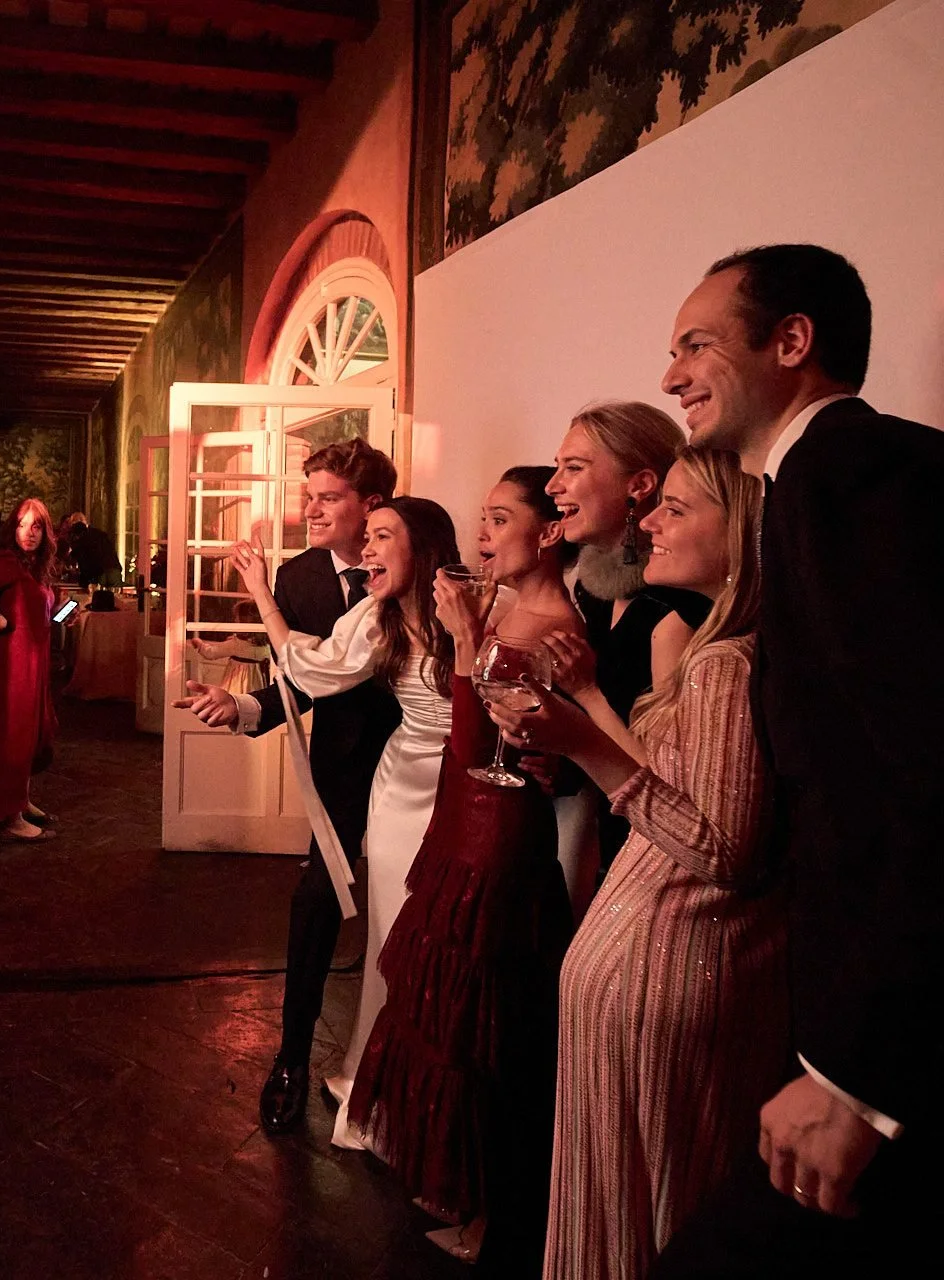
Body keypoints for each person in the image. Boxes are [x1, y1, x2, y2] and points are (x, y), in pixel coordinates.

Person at [649, 247, 942, 1277]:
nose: (673, 372)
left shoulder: (850, 473)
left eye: (695, 342)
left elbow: (924, 780)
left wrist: (857, 1076)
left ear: (791, 340)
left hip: (887, 1045)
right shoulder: (806, 487)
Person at [489, 449, 786, 1280]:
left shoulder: (727, 661)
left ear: (748, 537)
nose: (649, 520)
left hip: (667, 977)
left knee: (638, 1231)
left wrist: (581, 733)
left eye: (678, 510)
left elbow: (721, 847)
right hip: (643, 973)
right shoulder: (715, 654)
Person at [347, 467, 581, 1270]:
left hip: (495, 831)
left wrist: (468, 642)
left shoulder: (550, 623)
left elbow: (480, 750)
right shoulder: (507, 607)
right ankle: (464, 1188)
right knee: (439, 1001)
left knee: (481, 1014)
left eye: (501, 518)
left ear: (548, 533)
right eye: (479, 518)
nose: (482, 533)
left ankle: (492, 1214)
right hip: (458, 819)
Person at [172, 439, 403, 1136]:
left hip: (417, 764)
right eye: (309, 497)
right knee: (314, 902)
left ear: (373, 505)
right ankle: (291, 1059)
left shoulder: (409, 560)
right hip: (338, 766)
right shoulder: (298, 577)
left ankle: (397, 1066)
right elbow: (301, 678)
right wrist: (242, 708)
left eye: (327, 498)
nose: (311, 511)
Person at [545, 401, 709, 911]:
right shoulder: (592, 591)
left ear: (639, 485)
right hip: (609, 833)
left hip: (665, 857)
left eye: (573, 468)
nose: (553, 486)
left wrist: (583, 694)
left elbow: (666, 780)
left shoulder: (680, 608)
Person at [0, 498, 62, 842]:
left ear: (45, 531)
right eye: (21, 524)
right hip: (13, 664)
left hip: (35, 661)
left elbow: (44, 615)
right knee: (12, 734)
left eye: (35, 526)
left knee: (31, 731)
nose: (28, 533)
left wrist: (64, 615)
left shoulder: (37, 566)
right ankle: (10, 815)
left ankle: (20, 800)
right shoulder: (6, 561)